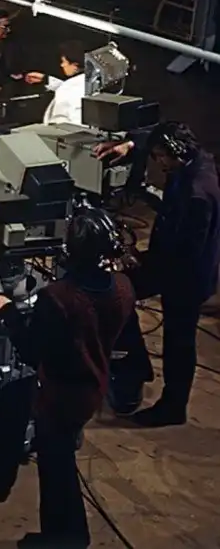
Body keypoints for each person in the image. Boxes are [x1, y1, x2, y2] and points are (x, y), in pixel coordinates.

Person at [0, 207, 137, 548]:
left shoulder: (58, 298)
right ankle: (8, 485)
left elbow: (31, 350)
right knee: (41, 438)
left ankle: (63, 538)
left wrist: (7, 311)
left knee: (56, 471)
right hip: (93, 385)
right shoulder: (124, 287)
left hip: (59, 396)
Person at [94, 121, 220, 426]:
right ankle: (135, 367)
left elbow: (184, 253)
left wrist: (137, 259)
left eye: (160, 156)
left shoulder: (197, 195)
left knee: (179, 343)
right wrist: (130, 144)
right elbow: (160, 131)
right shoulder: (196, 160)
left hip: (185, 279)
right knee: (119, 293)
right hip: (175, 266)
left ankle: (172, 407)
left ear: (174, 152)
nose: (158, 163)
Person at [28, 40, 87, 126]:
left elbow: (60, 120)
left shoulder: (67, 89)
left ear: (75, 65)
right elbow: (69, 88)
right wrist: (46, 79)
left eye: (64, 61)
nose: (62, 65)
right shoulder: (88, 82)